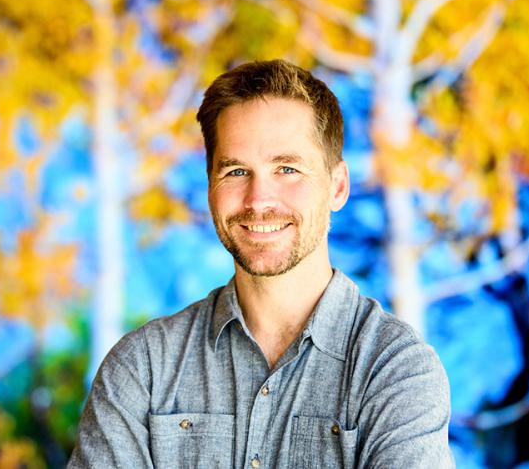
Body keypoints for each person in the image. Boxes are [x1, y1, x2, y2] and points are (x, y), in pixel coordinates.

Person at [68, 59, 453, 468]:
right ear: (210, 188)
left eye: (287, 168)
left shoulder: (396, 370)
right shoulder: (142, 368)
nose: (258, 200)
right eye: (236, 171)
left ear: (337, 187)